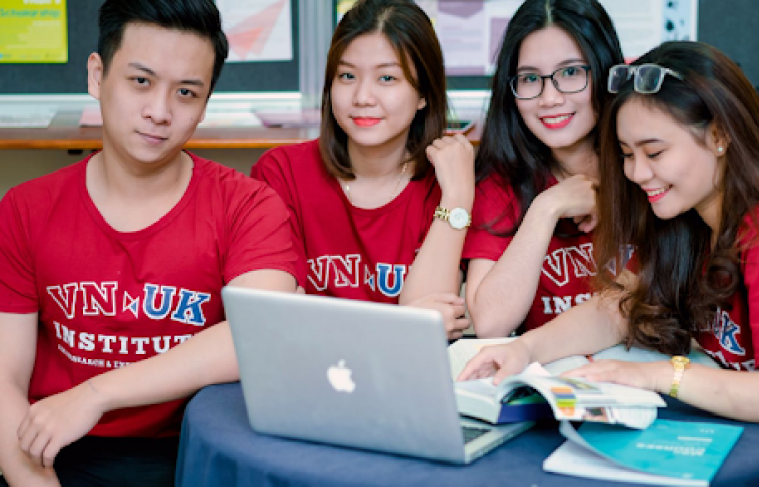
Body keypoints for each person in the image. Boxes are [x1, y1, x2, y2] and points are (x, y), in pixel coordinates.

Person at [461, 41, 759, 485]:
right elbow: (620, 307)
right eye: (627, 154)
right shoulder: (688, 221)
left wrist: (662, 375)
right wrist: (525, 349)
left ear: (720, 136)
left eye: (655, 152)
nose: (637, 173)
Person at [0, 1, 300, 485]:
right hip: (51, 448)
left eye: (186, 93)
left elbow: (259, 334)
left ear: (205, 103)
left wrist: (96, 393)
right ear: (97, 75)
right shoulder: (24, 208)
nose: (159, 112)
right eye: (141, 81)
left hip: (191, 451)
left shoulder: (247, 205)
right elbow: (3, 381)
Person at [251, 0, 474, 339]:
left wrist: (457, 198)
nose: (362, 97)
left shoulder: (447, 182)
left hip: (408, 369)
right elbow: (278, 322)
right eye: (347, 76)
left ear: (424, 94)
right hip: (310, 366)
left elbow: (430, 334)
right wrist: (401, 324)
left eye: (387, 78)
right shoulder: (282, 173)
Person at [462, 0, 624, 337]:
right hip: (545, 369)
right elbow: (490, 323)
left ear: (605, 70)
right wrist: (547, 207)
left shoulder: (645, 170)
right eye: (530, 78)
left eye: (571, 72)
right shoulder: (501, 181)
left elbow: (656, 309)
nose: (549, 98)